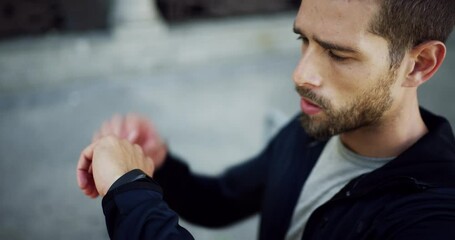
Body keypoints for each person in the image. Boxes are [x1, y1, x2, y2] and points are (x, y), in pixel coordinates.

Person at [77, 0, 455, 239]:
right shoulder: (313, 130)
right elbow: (223, 200)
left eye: (337, 54)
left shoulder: (433, 217)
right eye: (303, 40)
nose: (300, 74)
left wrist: (129, 193)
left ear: (418, 65)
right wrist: (160, 166)